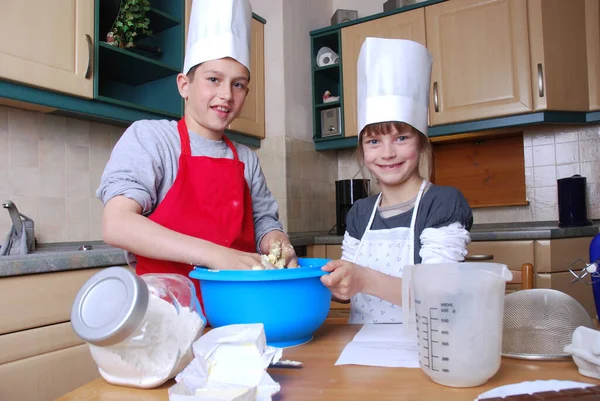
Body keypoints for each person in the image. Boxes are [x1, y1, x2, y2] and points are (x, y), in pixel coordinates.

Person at [96, 0, 297, 309]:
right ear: (184, 85)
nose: (227, 95)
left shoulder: (246, 158)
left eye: (238, 84)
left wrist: (277, 243)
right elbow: (117, 223)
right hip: (167, 314)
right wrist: (218, 255)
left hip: (239, 308)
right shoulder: (153, 138)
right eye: (213, 79)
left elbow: (264, 223)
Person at [320, 38, 473, 324]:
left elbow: (438, 295)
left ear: (421, 142)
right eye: (374, 140)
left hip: (425, 349)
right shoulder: (360, 213)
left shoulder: (442, 203)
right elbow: (347, 292)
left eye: (401, 138)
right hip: (362, 348)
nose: (388, 153)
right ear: (363, 149)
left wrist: (362, 278)